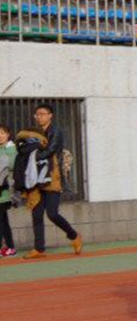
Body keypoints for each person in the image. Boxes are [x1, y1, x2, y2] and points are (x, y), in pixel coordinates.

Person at [24, 103, 82, 259]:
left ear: (50, 115)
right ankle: (39, 249)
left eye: (42, 114)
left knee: (52, 213)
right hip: (36, 176)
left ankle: (74, 235)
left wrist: (33, 156)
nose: (39, 117)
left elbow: (51, 150)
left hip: (52, 175)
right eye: (37, 114)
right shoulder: (33, 133)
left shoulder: (56, 131)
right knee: (36, 213)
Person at [0, 124, 16, 257]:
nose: (0, 136)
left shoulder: (11, 149)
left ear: (8, 134)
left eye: (2, 133)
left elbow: (10, 165)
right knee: (3, 221)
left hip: (5, 191)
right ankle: (10, 247)